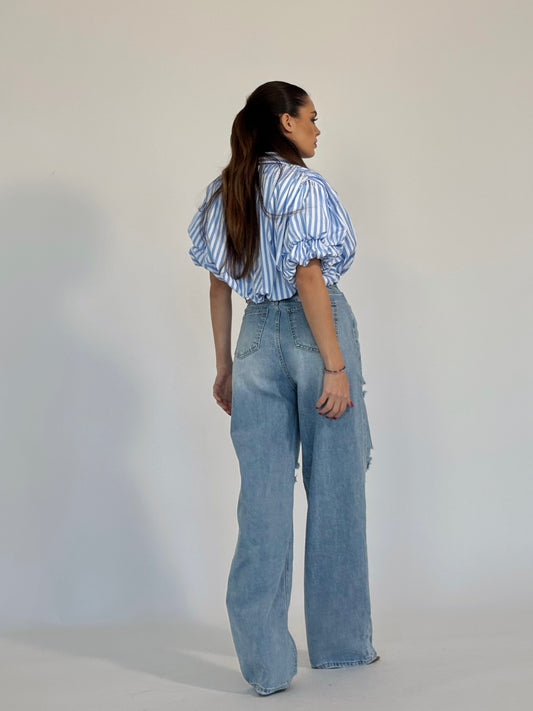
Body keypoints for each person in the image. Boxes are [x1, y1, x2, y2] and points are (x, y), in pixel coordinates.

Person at [187, 80, 379, 696]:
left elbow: (218, 283)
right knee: (336, 488)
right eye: (313, 118)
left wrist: (224, 366)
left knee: (261, 502)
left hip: (252, 342)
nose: (319, 130)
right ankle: (341, 647)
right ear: (286, 123)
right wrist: (334, 366)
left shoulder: (225, 190)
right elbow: (308, 276)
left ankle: (266, 667)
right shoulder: (304, 187)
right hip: (314, 335)